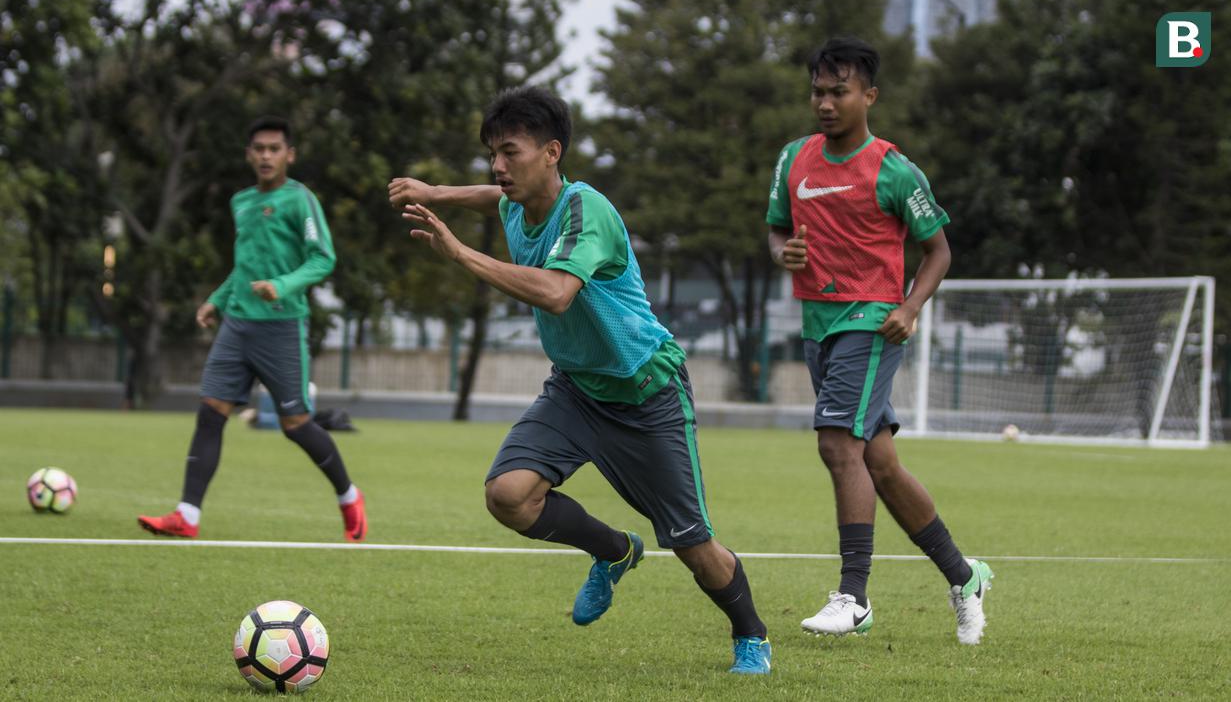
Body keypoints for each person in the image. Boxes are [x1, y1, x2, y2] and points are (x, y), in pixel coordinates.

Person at [389, 86, 771, 674]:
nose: (498, 166)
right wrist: (435, 192)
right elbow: (492, 196)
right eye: (492, 151)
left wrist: (460, 254)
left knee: (696, 548)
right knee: (508, 496)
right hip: (575, 388)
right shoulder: (517, 200)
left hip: (646, 393)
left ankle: (751, 634)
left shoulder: (585, 210)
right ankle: (614, 551)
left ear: (551, 153)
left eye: (510, 151)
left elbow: (556, 293)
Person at [766, 37, 993, 644]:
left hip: (871, 322)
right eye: (818, 91)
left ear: (869, 95)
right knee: (880, 463)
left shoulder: (894, 169)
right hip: (818, 324)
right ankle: (965, 576)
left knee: (837, 444)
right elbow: (776, 230)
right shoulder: (793, 160)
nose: (826, 103)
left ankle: (854, 597)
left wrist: (911, 307)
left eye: (839, 91)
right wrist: (782, 253)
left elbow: (938, 250)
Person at [138, 117, 366, 542]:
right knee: (210, 413)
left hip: (281, 326)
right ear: (249, 154)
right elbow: (244, 268)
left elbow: (322, 259)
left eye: (274, 148)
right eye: (258, 148)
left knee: (296, 424)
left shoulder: (301, 201)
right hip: (236, 324)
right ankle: (187, 516)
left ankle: (349, 496)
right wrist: (218, 299)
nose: (265, 155)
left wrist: (279, 286)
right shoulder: (241, 202)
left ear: (289, 155)